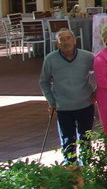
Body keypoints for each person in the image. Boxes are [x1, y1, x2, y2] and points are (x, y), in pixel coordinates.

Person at [39, 28, 96, 164]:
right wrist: (51, 101)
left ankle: (86, 167)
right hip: (63, 106)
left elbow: (101, 73)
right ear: (58, 43)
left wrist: (96, 92)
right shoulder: (51, 59)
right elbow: (44, 81)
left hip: (85, 103)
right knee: (67, 140)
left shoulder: (87, 57)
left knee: (85, 138)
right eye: (62, 40)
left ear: (74, 40)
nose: (65, 42)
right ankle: (70, 167)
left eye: (68, 38)